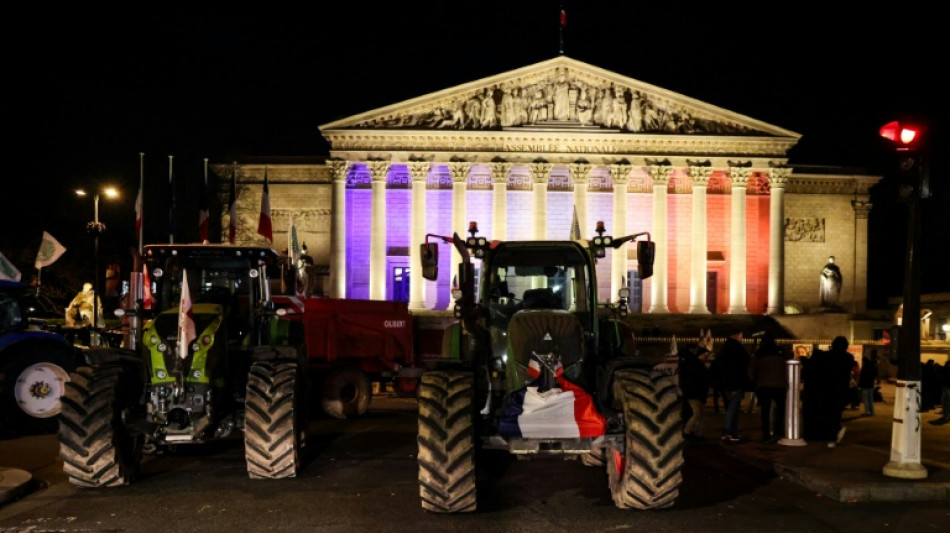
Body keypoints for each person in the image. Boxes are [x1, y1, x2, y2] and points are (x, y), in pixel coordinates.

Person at [711, 329, 752, 442]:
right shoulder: (739, 350)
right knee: (733, 408)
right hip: (736, 382)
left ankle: (734, 432)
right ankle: (728, 431)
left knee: (732, 407)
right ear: (738, 335)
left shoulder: (723, 350)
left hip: (725, 383)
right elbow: (746, 364)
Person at [750, 333, 790, 442]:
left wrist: (756, 380)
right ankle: (778, 432)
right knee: (780, 410)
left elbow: (752, 370)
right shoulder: (781, 352)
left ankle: (766, 434)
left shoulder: (759, 353)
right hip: (780, 385)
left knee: (765, 411)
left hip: (764, 385)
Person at [678, 343, 710, 441]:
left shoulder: (686, 362)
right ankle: (689, 432)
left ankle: (694, 432)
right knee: (697, 414)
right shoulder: (695, 364)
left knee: (697, 414)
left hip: (691, 392)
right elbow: (702, 378)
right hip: (696, 392)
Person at [929, 360, 950, 425]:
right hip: (946, 387)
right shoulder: (945, 370)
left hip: (946, 387)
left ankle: (946, 415)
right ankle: (946, 415)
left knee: (945, 401)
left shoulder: (944, 370)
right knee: (946, 401)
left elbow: (941, 377)